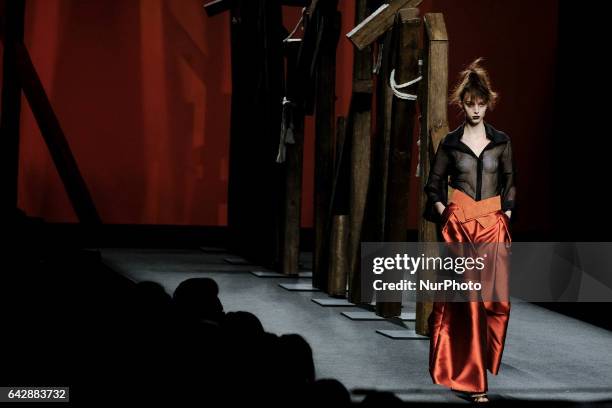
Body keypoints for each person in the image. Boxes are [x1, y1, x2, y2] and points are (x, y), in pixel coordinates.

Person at [423, 58, 516, 404]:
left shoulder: (501, 142)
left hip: (492, 225)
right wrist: (444, 213)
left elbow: (510, 183)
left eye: (481, 103)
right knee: (469, 302)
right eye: (469, 103)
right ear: (461, 104)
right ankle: (474, 382)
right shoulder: (449, 143)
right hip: (460, 227)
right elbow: (433, 187)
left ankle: (475, 368)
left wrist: (505, 215)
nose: (475, 109)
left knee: (497, 303)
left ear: (488, 103)